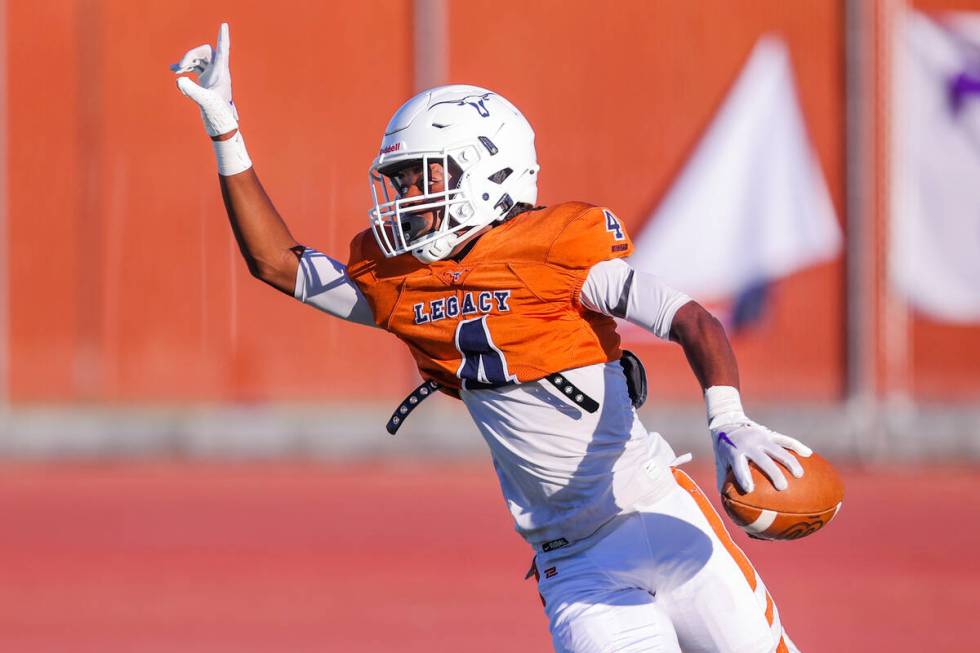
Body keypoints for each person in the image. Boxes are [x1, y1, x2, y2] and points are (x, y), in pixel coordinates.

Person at [173, 23, 811, 653]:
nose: (403, 199)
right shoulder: (408, 283)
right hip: (577, 565)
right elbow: (278, 264)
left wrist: (729, 421)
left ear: (485, 172)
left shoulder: (559, 247)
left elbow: (690, 319)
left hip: (661, 516)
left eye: (420, 178)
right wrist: (225, 129)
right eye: (399, 182)